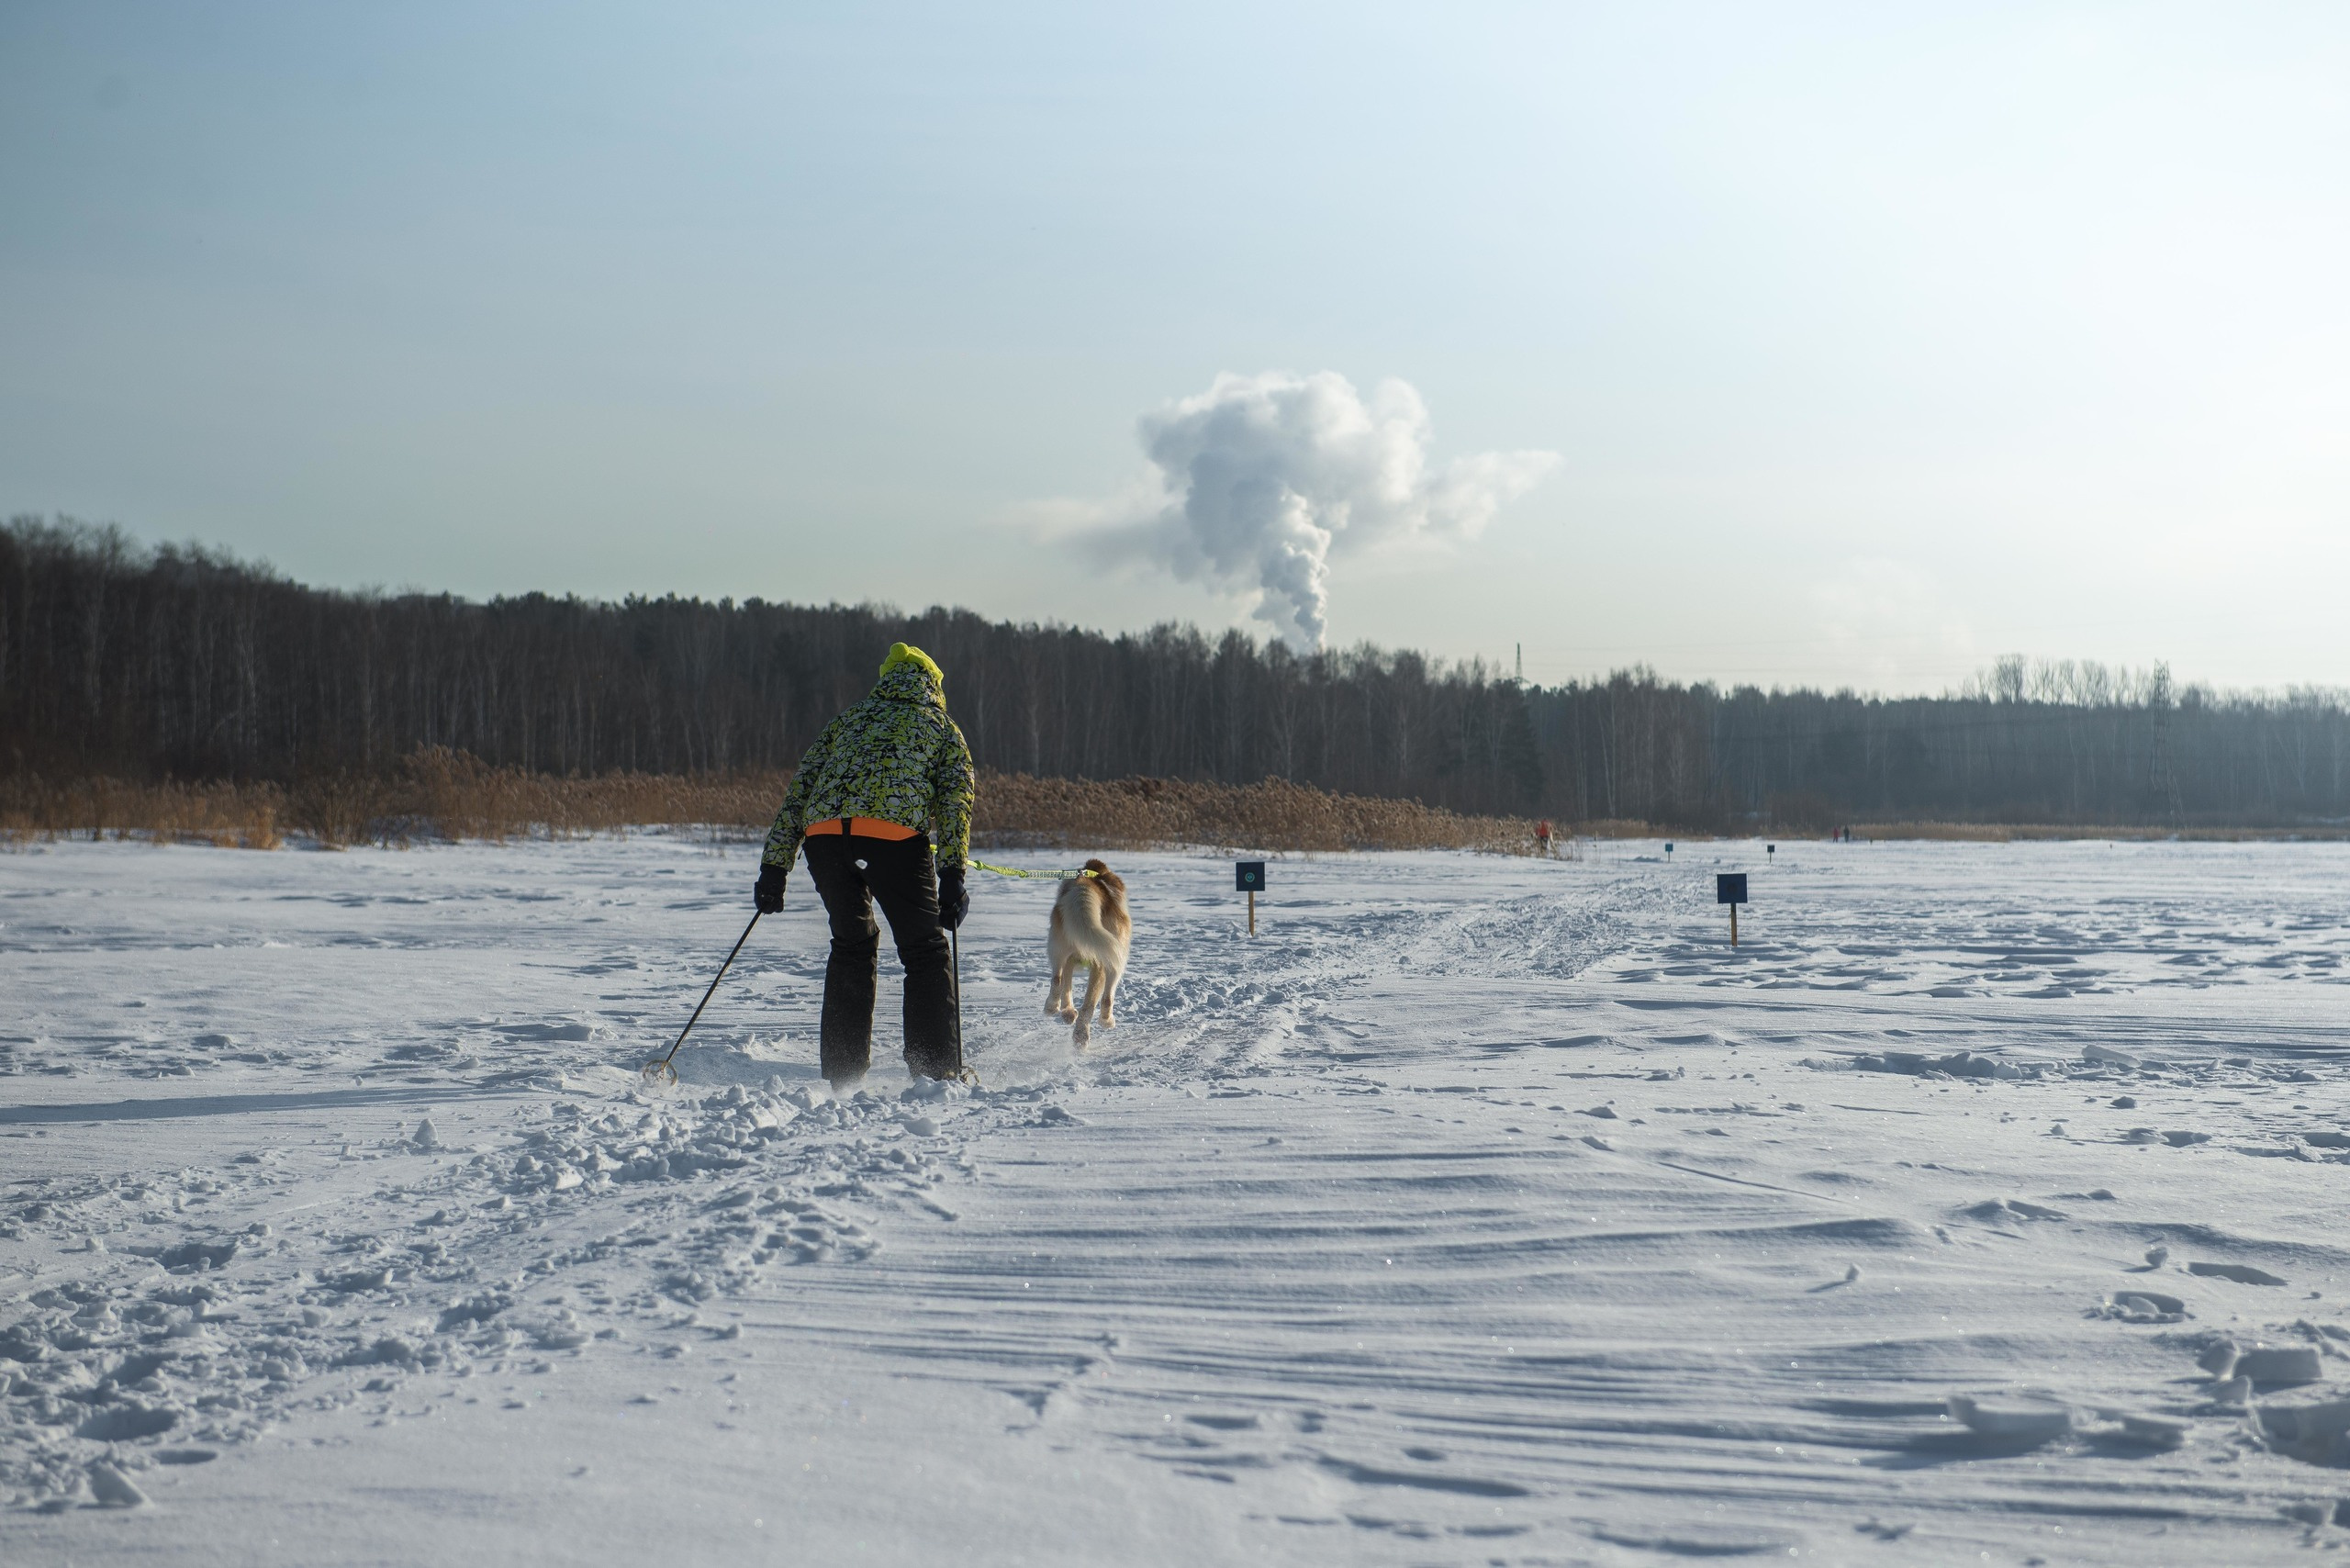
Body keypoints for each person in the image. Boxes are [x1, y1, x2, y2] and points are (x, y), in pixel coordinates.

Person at [756, 643, 975, 1089]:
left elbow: (799, 791)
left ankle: (842, 1074)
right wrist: (952, 874)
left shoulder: (849, 719)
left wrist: (775, 867)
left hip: (824, 838)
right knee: (925, 950)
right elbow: (955, 803)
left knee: (852, 945)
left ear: (886, 678)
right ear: (932, 684)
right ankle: (936, 1073)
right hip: (895, 840)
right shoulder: (941, 727)